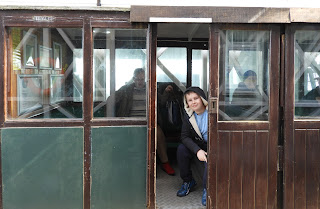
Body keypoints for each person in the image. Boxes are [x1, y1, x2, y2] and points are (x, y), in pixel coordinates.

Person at [114, 68, 175, 175]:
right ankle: (132, 166)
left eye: (142, 79)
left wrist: (166, 92)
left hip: (149, 122)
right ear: (133, 79)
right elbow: (111, 99)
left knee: (159, 134)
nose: (140, 82)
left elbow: (162, 102)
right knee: (131, 138)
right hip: (131, 121)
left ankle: (165, 163)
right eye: (137, 79)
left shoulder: (150, 89)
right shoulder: (126, 90)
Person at [176, 86, 208, 206]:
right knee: (181, 149)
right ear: (187, 103)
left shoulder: (212, 112)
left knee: (211, 159)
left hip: (213, 145)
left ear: (202, 99)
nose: (193, 102)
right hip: (199, 146)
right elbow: (184, 137)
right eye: (190, 100)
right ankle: (188, 181)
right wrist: (197, 150)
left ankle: (207, 189)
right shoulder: (188, 116)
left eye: (196, 98)